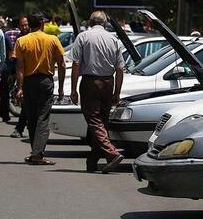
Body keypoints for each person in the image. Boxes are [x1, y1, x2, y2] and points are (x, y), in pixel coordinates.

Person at [70, 11, 125, 174]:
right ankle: (92, 161)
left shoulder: (83, 37)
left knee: (94, 121)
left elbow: (76, 64)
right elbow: (120, 69)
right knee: (102, 122)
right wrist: (117, 92)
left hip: (90, 82)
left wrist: (73, 89)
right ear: (105, 23)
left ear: (90, 22)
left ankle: (111, 153)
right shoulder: (113, 39)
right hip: (108, 82)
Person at [15, 12, 66, 165]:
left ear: (29, 25)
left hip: (29, 81)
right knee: (42, 117)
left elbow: (20, 67)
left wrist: (20, 87)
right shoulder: (52, 39)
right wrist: (62, 87)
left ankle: (35, 152)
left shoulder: (21, 41)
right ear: (43, 24)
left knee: (31, 117)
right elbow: (62, 64)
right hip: (45, 81)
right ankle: (37, 154)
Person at [9, 16, 30, 138]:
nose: (24, 27)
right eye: (22, 25)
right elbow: (15, 60)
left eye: (26, 25)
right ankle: (20, 128)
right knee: (26, 104)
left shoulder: (35, 36)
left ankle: (22, 128)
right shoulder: (19, 39)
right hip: (24, 75)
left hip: (37, 75)